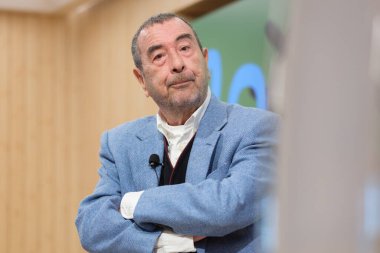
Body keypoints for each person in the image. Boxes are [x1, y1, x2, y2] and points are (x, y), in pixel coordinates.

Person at [75, 13, 278, 253]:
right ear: (141, 80)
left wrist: (131, 202)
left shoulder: (257, 127)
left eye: (184, 48)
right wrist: (164, 243)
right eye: (159, 56)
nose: (177, 64)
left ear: (205, 60)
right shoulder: (119, 143)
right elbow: (91, 224)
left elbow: (227, 205)